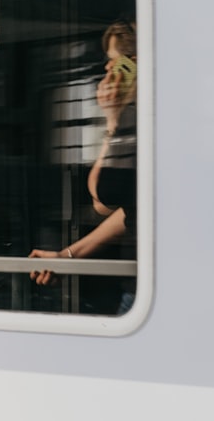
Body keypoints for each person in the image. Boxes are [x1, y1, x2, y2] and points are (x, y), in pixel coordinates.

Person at [29, 20, 137, 314]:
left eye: (114, 61)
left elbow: (103, 197)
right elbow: (125, 212)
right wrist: (68, 254)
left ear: (134, 65)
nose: (106, 70)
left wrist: (113, 120)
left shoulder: (141, 127)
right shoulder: (138, 123)